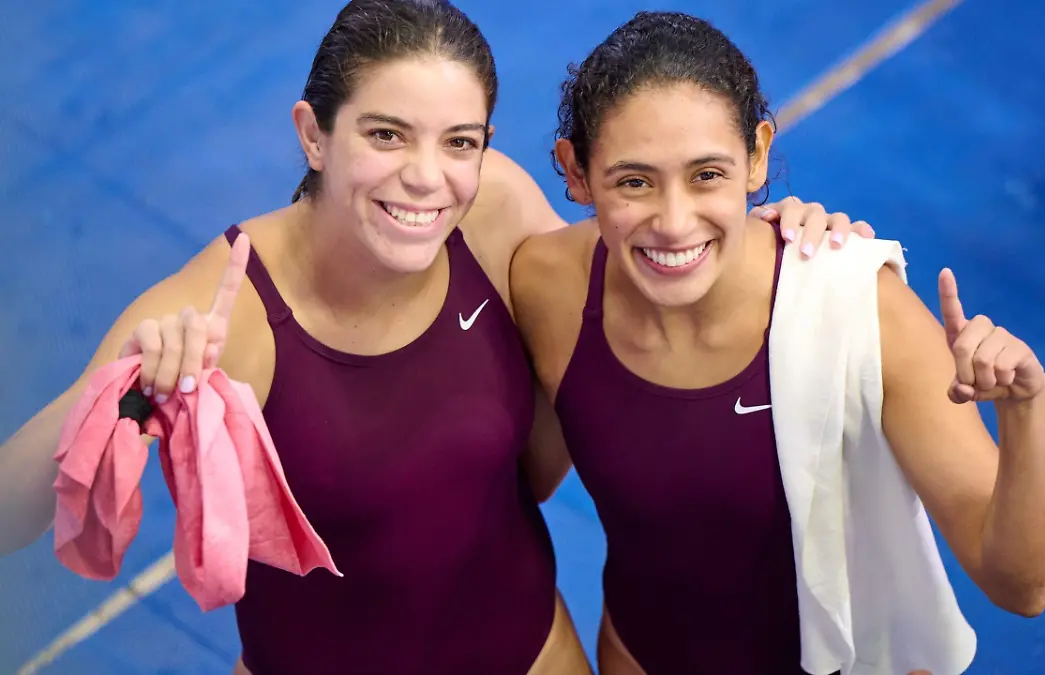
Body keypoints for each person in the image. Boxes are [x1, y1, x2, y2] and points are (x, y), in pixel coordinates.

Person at [0, 2, 875, 674]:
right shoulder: (229, 309)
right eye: (385, 135)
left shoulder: (488, 202)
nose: (425, 178)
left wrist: (780, 234)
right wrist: (118, 390)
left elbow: (644, 272)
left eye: (457, 140)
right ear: (314, 134)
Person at [510, 10, 1045, 675]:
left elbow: (1022, 587)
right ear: (574, 172)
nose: (675, 221)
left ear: (759, 155)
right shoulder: (547, 287)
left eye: (707, 174)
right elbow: (516, 479)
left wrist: (1025, 410)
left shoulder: (860, 310)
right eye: (634, 182)